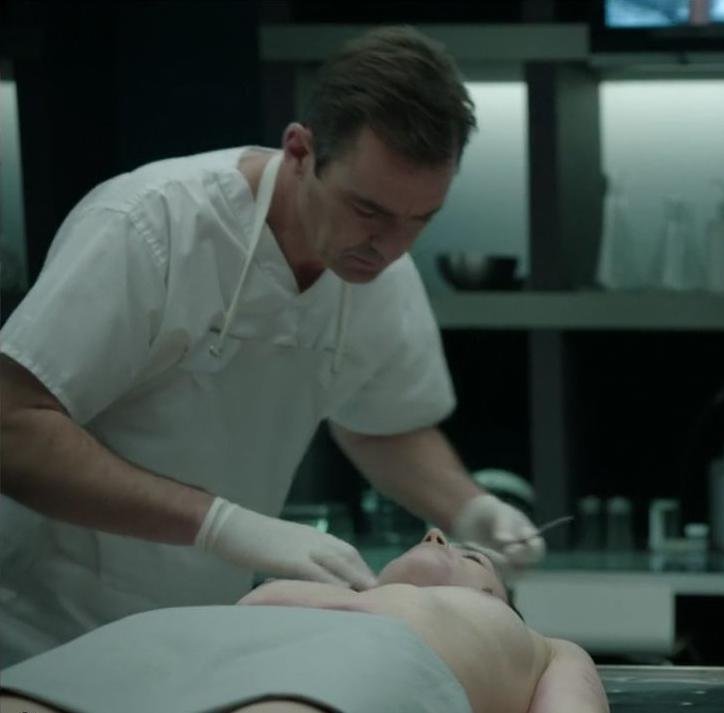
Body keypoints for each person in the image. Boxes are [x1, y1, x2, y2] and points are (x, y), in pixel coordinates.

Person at [0, 25, 544, 666]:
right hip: (41, 632)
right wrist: (223, 524)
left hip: (196, 639)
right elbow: (12, 426)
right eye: (368, 210)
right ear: (300, 151)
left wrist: (469, 507)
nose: (391, 246)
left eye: (420, 220)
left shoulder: (379, 271)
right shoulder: (151, 226)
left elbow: (383, 426)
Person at [0, 528, 609, 713]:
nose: (435, 534)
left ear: (499, 600)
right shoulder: (320, 590)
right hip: (155, 646)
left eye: (473, 557)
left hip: (348, 676)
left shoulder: (542, 647)